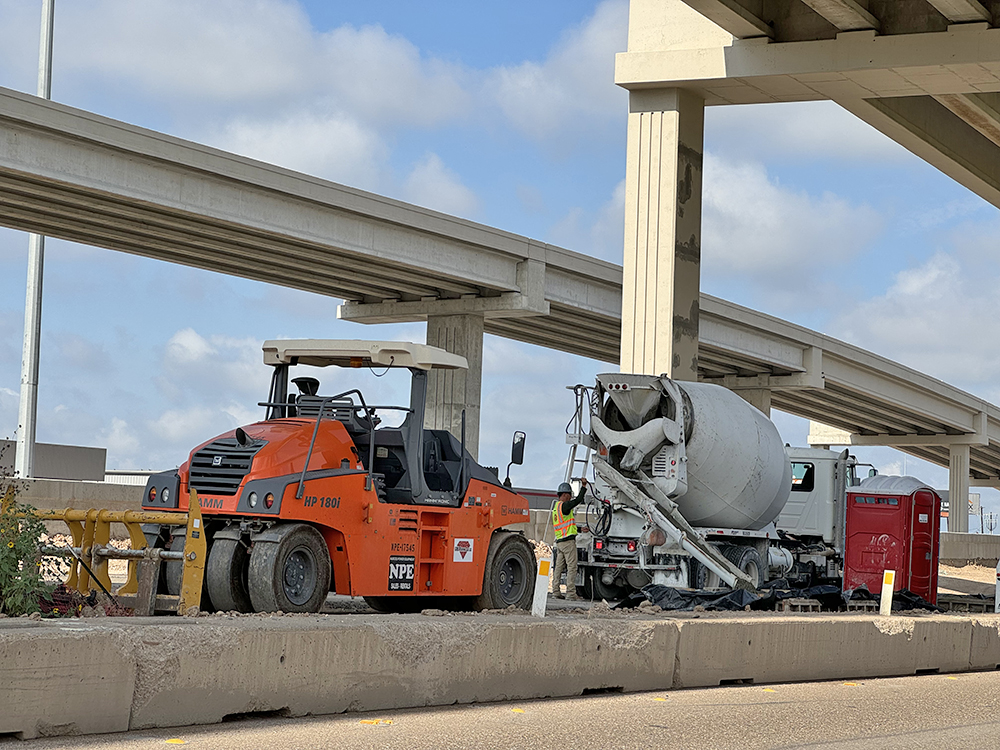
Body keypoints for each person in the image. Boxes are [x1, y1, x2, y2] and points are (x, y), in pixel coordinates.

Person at [550, 477, 587, 600]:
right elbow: (578, 500)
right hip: (568, 543)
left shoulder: (556, 508)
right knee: (572, 567)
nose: (570, 497)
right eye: (569, 495)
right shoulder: (565, 506)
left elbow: (567, 525)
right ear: (565, 495)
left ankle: (556, 591)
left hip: (560, 542)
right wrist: (584, 486)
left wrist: (580, 530)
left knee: (558, 568)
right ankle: (571, 593)